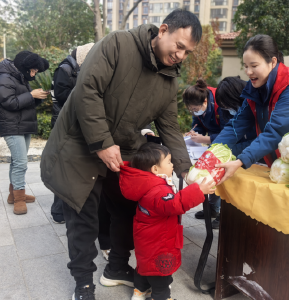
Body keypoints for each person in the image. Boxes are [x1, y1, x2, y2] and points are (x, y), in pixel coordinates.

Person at [40, 9, 202, 300]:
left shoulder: (168, 79)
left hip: (122, 151)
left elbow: (169, 128)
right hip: (81, 145)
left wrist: (185, 170)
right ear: (163, 30)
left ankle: (115, 268)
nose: (180, 55)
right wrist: (102, 142)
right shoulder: (118, 44)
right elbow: (87, 91)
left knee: (129, 209)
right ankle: (83, 284)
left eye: (186, 52)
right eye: (179, 46)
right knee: (84, 218)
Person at [212, 34, 289, 185]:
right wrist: (212, 153)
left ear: (273, 62)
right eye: (246, 66)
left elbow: (276, 131)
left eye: (254, 66)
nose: (248, 72)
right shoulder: (255, 88)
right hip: (279, 165)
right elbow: (237, 124)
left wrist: (241, 161)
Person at [119, 143, 215, 300]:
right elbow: (174, 204)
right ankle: (162, 297)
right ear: (155, 169)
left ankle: (140, 291)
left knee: (145, 267)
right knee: (160, 274)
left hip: (148, 239)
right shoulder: (157, 190)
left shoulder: (149, 184)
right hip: (159, 242)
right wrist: (198, 190)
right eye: (169, 162)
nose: (173, 165)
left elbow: (171, 200)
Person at [183, 77, 255, 228]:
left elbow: (250, 138)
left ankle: (224, 212)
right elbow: (231, 130)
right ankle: (215, 208)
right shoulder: (230, 107)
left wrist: (215, 146)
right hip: (229, 146)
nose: (226, 110)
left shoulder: (234, 105)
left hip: (247, 151)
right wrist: (213, 150)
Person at [0, 51, 49, 215]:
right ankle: (19, 199)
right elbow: (9, 102)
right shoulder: (5, 77)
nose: (34, 73)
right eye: (33, 70)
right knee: (21, 163)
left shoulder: (19, 77)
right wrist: (30, 94)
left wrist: (37, 97)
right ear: (24, 66)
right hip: (12, 126)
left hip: (23, 125)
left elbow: (24, 103)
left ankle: (13, 194)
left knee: (16, 161)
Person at [50, 43, 94, 224]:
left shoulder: (75, 68)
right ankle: (59, 213)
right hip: (65, 125)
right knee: (64, 170)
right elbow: (61, 95)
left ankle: (69, 209)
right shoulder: (66, 69)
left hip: (76, 124)